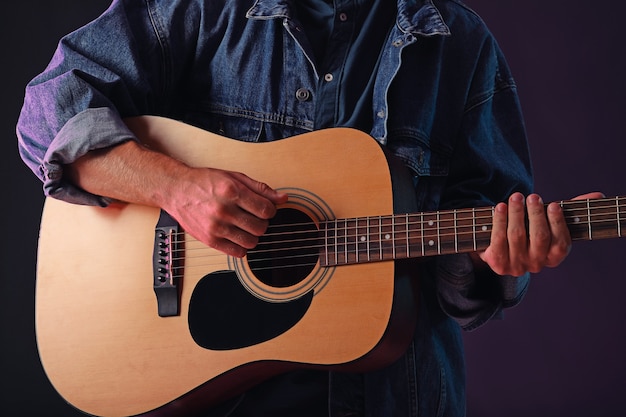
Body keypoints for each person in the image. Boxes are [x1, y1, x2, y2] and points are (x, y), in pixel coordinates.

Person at [16, 0, 601, 416]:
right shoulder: (201, 10)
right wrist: (176, 187)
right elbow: (47, 111)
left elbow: (460, 286)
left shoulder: (460, 44)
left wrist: (493, 261)